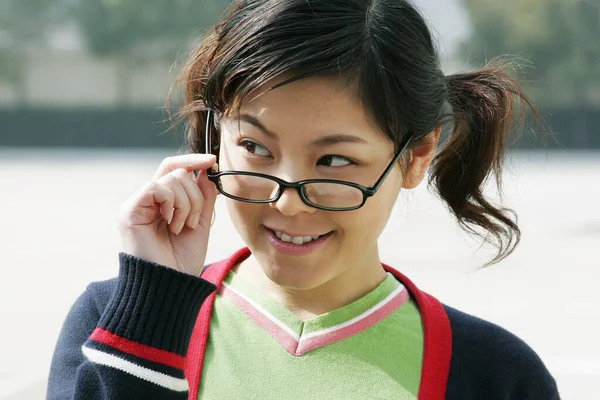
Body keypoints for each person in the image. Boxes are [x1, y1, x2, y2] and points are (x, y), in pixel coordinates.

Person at [47, 0, 560, 399]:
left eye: (334, 162)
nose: (288, 203)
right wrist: (154, 311)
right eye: (253, 148)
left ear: (417, 155)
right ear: (213, 137)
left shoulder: (494, 376)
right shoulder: (114, 323)